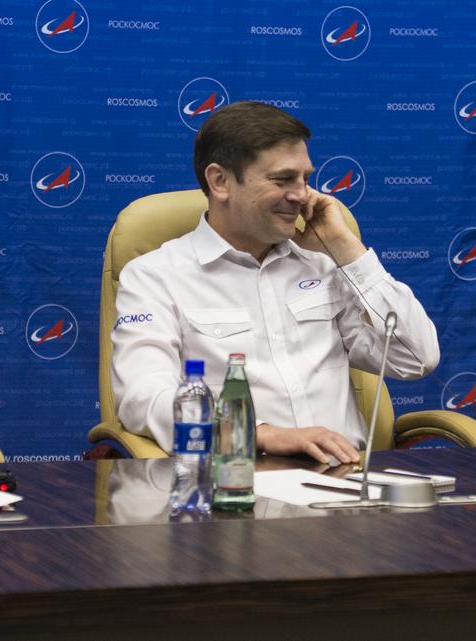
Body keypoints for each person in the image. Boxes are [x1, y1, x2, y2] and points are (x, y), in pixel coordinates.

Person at [111, 101, 440, 464]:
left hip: (347, 486)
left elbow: (415, 358)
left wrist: (347, 250)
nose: (302, 195)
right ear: (220, 181)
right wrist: (260, 434)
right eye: (283, 180)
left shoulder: (323, 264)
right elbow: (142, 399)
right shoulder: (155, 276)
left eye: (305, 179)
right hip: (238, 481)